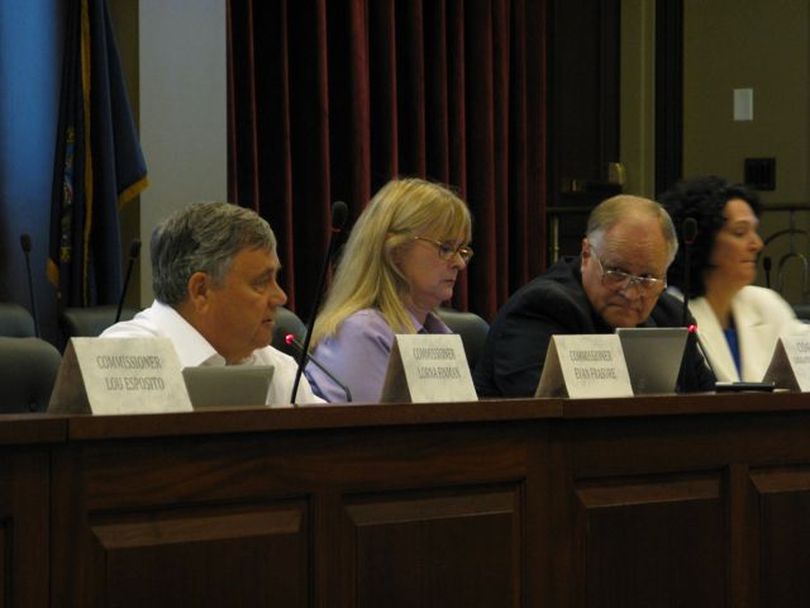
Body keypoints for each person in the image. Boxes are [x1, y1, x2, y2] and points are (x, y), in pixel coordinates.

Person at [474, 194, 715, 397]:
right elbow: (544, 419)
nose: (631, 293)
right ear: (587, 253)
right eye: (617, 272)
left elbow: (708, 406)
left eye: (648, 278)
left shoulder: (672, 317)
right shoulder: (542, 309)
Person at [101, 201, 323, 405]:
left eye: (275, 279)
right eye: (261, 282)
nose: (281, 297)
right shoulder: (124, 360)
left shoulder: (279, 368)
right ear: (201, 291)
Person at [305, 178, 473, 403]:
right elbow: (383, 437)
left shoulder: (437, 332)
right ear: (393, 249)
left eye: (461, 250)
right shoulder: (362, 333)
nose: (459, 264)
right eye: (446, 248)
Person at [660, 175, 807, 382]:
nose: (757, 244)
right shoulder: (673, 312)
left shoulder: (767, 304)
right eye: (740, 232)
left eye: (754, 231)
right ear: (704, 239)